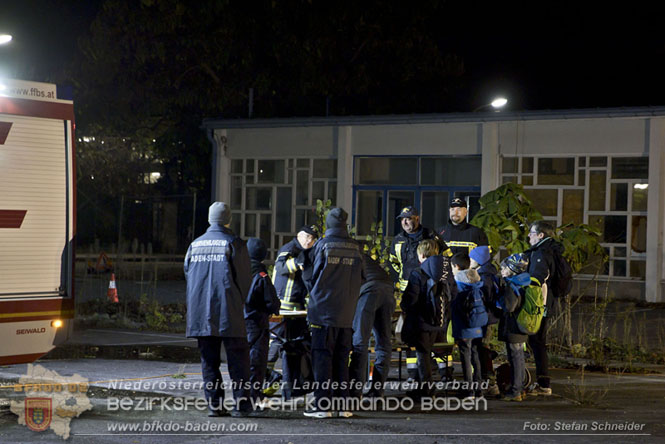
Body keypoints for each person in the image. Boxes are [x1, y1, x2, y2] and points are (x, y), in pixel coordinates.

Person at [184, 202, 253, 417]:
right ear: (228, 220)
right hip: (229, 311)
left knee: (209, 362)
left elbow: (188, 274)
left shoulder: (195, 245)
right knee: (238, 361)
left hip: (200, 313)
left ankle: (215, 405)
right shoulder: (234, 243)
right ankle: (241, 406)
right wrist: (239, 301)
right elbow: (245, 280)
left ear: (209, 219)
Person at [303, 207, 364, 418]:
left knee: (322, 358)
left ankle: (322, 406)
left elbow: (310, 277)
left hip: (323, 312)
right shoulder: (356, 247)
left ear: (328, 223)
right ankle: (343, 405)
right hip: (346, 314)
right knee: (341, 359)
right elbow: (362, 277)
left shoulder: (322, 245)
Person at [389, 206, 443, 381]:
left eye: (409, 218)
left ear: (417, 219)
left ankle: (432, 370)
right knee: (410, 332)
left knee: (428, 330)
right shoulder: (398, 240)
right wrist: (402, 279)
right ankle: (413, 372)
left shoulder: (430, 236)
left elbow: (444, 257)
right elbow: (394, 263)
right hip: (408, 291)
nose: (405, 222)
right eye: (402, 219)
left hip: (428, 291)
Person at [265, 225, 318, 399]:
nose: (309, 241)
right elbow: (280, 267)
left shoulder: (309, 251)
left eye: (312, 238)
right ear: (299, 236)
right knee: (277, 342)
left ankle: (293, 385)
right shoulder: (290, 248)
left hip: (298, 306)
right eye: (307, 237)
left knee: (296, 345)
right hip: (283, 305)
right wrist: (297, 263)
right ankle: (264, 378)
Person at [400, 239, 449, 399]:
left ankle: (427, 389)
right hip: (439, 322)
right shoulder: (444, 272)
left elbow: (410, 299)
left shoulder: (418, 273)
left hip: (421, 322)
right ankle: (425, 386)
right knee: (428, 354)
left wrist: (405, 306)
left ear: (421, 255)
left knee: (423, 355)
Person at [349, 253, 396, 398]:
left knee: (359, 342)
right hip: (388, 292)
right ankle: (378, 390)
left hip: (369, 292)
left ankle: (355, 391)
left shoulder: (345, 257)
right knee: (384, 343)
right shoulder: (365, 257)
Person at [524, 220, 559, 396]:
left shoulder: (541, 253)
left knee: (537, 342)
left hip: (540, 305)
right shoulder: (549, 251)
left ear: (541, 235)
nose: (529, 236)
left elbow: (538, 278)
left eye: (532, 233)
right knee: (536, 342)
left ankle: (543, 384)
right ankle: (542, 382)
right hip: (545, 303)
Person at [244, 238, 281, 405]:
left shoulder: (237, 272)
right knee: (257, 361)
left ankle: (242, 396)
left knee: (241, 360)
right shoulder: (261, 275)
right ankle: (254, 396)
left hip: (237, 322)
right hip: (257, 323)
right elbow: (272, 301)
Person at [450, 252, 487, 400]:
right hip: (478, 324)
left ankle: (468, 389)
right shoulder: (477, 281)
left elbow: (454, 304)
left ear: (456, 266)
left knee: (465, 356)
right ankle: (478, 389)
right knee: (475, 355)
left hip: (464, 325)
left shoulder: (458, 284)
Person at [497, 253, 531, 402]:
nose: (502, 271)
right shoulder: (524, 281)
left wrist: (500, 300)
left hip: (513, 326)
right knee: (519, 358)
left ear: (511, 269)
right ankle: (520, 388)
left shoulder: (512, 285)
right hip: (522, 325)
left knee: (515, 358)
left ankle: (516, 391)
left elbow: (509, 307)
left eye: (504, 268)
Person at [469, 245, 501, 396]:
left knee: (482, 348)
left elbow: (484, 298)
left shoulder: (484, 276)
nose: (470, 260)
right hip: (489, 317)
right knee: (482, 347)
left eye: (472, 258)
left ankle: (489, 381)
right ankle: (486, 379)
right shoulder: (489, 273)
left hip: (484, 317)